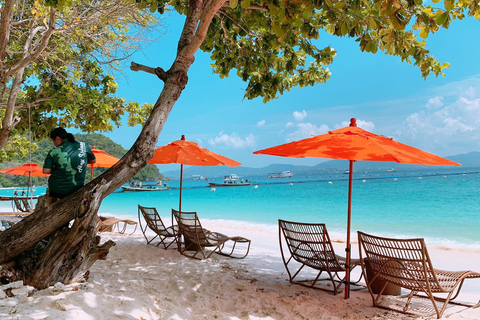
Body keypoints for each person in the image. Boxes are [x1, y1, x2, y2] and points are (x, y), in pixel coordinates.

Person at [43, 127, 96, 204]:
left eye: (53, 141)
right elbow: (93, 160)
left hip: (57, 188)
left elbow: (46, 171)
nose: (54, 144)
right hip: (77, 188)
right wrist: (79, 162)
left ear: (57, 138)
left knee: (52, 198)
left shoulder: (53, 152)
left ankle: (49, 210)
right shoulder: (83, 146)